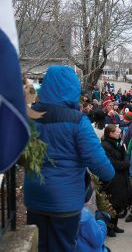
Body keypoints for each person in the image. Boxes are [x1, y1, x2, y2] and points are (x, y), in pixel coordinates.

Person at [26, 66, 115, 252]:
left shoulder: (29, 117)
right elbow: (103, 169)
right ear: (73, 88)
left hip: (35, 197)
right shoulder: (77, 121)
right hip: (65, 202)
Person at [101, 124, 132, 237]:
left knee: (118, 203)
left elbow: (126, 155)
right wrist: (125, 163)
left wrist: (125, 161)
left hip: (120, 177)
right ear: (110, 133)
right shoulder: (105, 145)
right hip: (112, 179)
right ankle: (109, 227)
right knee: (112, 203)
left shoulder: (117, 144)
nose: (119, 133)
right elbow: (113, 163)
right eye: (117, 132)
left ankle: (114, 226)